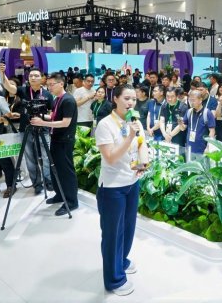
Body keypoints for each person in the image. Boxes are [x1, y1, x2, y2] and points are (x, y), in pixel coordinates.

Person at [94, 84, 148, 296]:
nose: (131, 102)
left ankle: (122, 261)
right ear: (115, 99)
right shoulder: (105, 125)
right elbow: (110, 157)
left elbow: (142, 144)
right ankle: (114, 279)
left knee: (128, 227)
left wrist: (143, 164)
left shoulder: (135, 121)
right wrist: (129, 136)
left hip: (132, 182)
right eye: (126, 98)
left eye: (133, 99)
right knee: (112, 234)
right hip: (112, 188)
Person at [0, 63, 54, 195]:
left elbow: (52, 114)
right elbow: (8, 86)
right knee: (30, 158)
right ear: (28, 78)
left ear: (42, 78)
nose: (33, 78)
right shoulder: (23, 90)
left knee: (46, 157)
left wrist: (42, 118)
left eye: (36, 76)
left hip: (43, 129)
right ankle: (37, 184)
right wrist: (2, 73)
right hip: (26, 129)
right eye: (31, 76)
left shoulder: (47, 94)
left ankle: (48, 181)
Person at [30, 73, 79, 216]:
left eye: (52, 84)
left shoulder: (68, 100)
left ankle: (72, 201)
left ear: (61, 84)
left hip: (65, 140)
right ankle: (60, 195)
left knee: (66, 171)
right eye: (48, 85)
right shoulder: (58, 99)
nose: (49, 87)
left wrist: (42, 123)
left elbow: (65, 123)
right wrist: (40, 116)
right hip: (56, 138)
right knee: (55, 169)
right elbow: (53, 116)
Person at [179, 90, 216, 156]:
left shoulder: (207, 113)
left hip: (202, 150)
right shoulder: (189, 112)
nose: (191, 103)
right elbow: (182, 128)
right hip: (189, 148)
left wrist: (208, 147)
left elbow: (212, 131)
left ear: (200, 100)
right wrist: (180, 123)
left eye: (193, 100)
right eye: (190, 100)